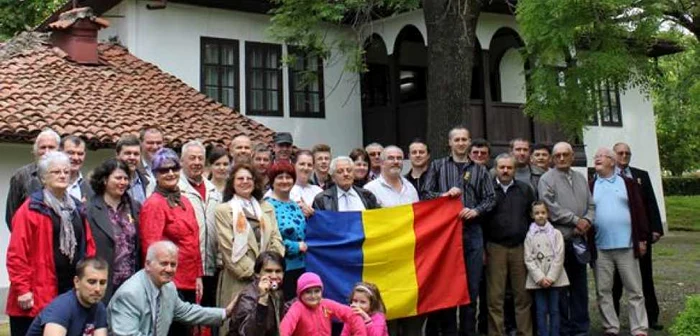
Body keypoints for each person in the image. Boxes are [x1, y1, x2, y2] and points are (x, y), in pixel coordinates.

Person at [6, 151, 97, 336]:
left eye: (65, 171)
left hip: (70, 290)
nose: (63, 175)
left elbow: (89, 247)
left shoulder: (77, 208)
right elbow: (17, 253)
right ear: (43, 178)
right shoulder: (31, 208)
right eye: (56, 172)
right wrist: (22, 289)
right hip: (36, 293)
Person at [421, 126, 496, 336]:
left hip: (472, 233)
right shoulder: (437, 166)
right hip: (445, 236)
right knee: (448, 288)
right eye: (457, 140)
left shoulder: (480, 170)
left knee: (471, 290)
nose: (461, 143)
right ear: (450, 143)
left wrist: (476, 210)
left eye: (464, 139)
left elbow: (491, 198)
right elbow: (425, 194)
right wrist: (444, 195)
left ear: (469, 142)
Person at [139, 148, 203, 336]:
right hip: (170, 282)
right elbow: (150, 249)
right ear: (155, 175)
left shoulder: (185, 201)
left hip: (190, 281)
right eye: (163, 170)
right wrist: (162, 283)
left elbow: (194, 240)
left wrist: (198, 275)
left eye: (174, 168)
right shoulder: (154, 204)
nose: (170, 173)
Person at [215, 162, 285, 336]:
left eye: (249, 178)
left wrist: (270, 272)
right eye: (240, 178)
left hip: (269, 278)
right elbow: (229, 249)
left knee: (266, 326)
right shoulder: (223, 211)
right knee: (238, 329)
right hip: (239, 280)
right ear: (232, 182)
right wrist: (258, 274)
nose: (245, 182)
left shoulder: (266, 208)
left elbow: (276, 239)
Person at [108, 241, 235, 336]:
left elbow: (186, 312)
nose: (169, 269)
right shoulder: (129, 295)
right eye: (163, 263)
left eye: (173, 264)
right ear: (147, 264)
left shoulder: (168, 287)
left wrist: (225, 313)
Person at [590, 147, 649, 336]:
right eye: (596, 157)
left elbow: (639, 211)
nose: (597, 159)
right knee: (603, 291)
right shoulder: (590, 185)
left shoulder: (629, 184)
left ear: (612, 161)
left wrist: (642, 238)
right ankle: (610, 327)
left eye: (602, 156)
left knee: (635, 290)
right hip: (600, 247)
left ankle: (639, 328)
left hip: (627, 246)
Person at [537, 142, 595, 336]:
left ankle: (580, 326)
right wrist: (575, 220)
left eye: (565, 155)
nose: (561, 158)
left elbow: (591, 204)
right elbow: (549, 207)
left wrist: (587, 220)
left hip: (579, 241)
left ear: (572, 157)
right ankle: (563, 327)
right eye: (558, 155)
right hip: (559, 242)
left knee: (580, 287)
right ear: (553, 158)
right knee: (560, 288)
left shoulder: (580, 178)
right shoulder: (547, 179)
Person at [363, 146, 422, 336]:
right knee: (386, 309)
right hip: (384, 259)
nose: (396, 161)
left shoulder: (410, 188)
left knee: (409, 307)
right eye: (391, 158)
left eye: (399, 158)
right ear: (380, 162)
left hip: (407, 259)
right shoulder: (369, 190)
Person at [612, 142, 664, 330]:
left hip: (640, 235)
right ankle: (612, 320)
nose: (624, 156)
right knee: (615, 281)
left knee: (645, 277)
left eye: (627, 153)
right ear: (614, 155)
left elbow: (651, 202)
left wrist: (656, 228)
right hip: (617, 237)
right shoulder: (607, 176)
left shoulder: (641, 175)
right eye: (620, 153)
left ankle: (652, 317)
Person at [484, 153, 534, 336]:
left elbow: (532, 217)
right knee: (495, 297)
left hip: (520, 248)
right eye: (502, 167)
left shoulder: (525, 189)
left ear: (514, 169)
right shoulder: (488, 190)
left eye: (509, 168)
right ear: (496, 169)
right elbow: (482, 220)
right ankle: (496, 332)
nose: (505, 171)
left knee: (522, 296)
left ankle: (524, 332)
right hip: (495, 248)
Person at [85, 158, 141, 302]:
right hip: (102, 281)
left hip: (131, 283)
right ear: (104, 180)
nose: (123, 182)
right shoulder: (88, 210)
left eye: (126, 178)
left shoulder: (135, 208)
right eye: (118, 178)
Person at [178, 141, 222, 311]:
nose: (197, 162)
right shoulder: (176, 189)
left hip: (211, 266)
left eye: (200, 158)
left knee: (209, 316)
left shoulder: (214, 191)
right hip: (185, 269)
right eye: (192, 158)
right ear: (182, 161)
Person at [25, 257, 110, 336]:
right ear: (77, 282)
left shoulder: (99, 308)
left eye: (102, 283)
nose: (98, 289)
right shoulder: (61, 308)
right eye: (92, 282)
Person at [264, 161, 308, 301]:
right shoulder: (267, 206)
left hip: (301, 268)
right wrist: (295, 246)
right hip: (280, 270)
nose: (285, 181)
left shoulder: (296, 205)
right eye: (280, 177)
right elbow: (268, 239)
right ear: (272, 181)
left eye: (288, 177)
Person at [524, 201, 569, 336]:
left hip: (553, 278)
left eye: (543, 213)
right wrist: (540, 278)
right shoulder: (529, 235)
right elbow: (528, 258)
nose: (540, 216)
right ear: (532, 215)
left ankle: (555, 333)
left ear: (548, 214)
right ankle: (542, 333)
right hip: (538, 279)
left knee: (555, 309)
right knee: (540, 310)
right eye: (537, 213)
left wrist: (550, 277)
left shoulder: (556, 234)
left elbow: (559, 256)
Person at [5, 128, 60, 230]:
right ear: (35, 151)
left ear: (59, 150)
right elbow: (12, 217)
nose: (46, 151)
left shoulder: (65, 176)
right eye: (42, 147)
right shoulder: (21, 176)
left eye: (51, 147)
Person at [280, 272, 367, 336]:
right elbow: (285, 328)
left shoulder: (326, 304)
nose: (313, 296)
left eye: (317, 291)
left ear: (322, 292)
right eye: (308, 292)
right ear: (300, 293)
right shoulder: (297, 307)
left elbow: (353, 315)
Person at [228, 251, 287, 336]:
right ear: (257, 274)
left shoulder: (277, 293)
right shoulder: (248, 296)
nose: (274, 276)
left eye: (278, 271)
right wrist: (262, 299)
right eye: (268, 271)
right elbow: (249, 333)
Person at [313, 156, 380, 212]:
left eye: (349, 170)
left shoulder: (367, 195)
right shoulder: (322, 199)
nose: (346, 174)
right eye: (340, 171)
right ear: (333, 177)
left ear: (353, 174)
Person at [115, 134, 152, 205]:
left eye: (136, 154)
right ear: (117, 155)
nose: (132, 157)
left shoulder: (147, 183)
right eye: (128, 153)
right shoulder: (107, 183)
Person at [289, 150, 323, 217]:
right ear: (293, 165)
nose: (306, 168)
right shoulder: (283, 189)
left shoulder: (318, 191)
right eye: (302, 164)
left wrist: (314, 213)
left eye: (309, 165)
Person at [60, 135, 92, 202]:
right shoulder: (48, 183)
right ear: (60, 153)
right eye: (71, 153)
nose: (76, 158)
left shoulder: (90, 188)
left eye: (80, 154)